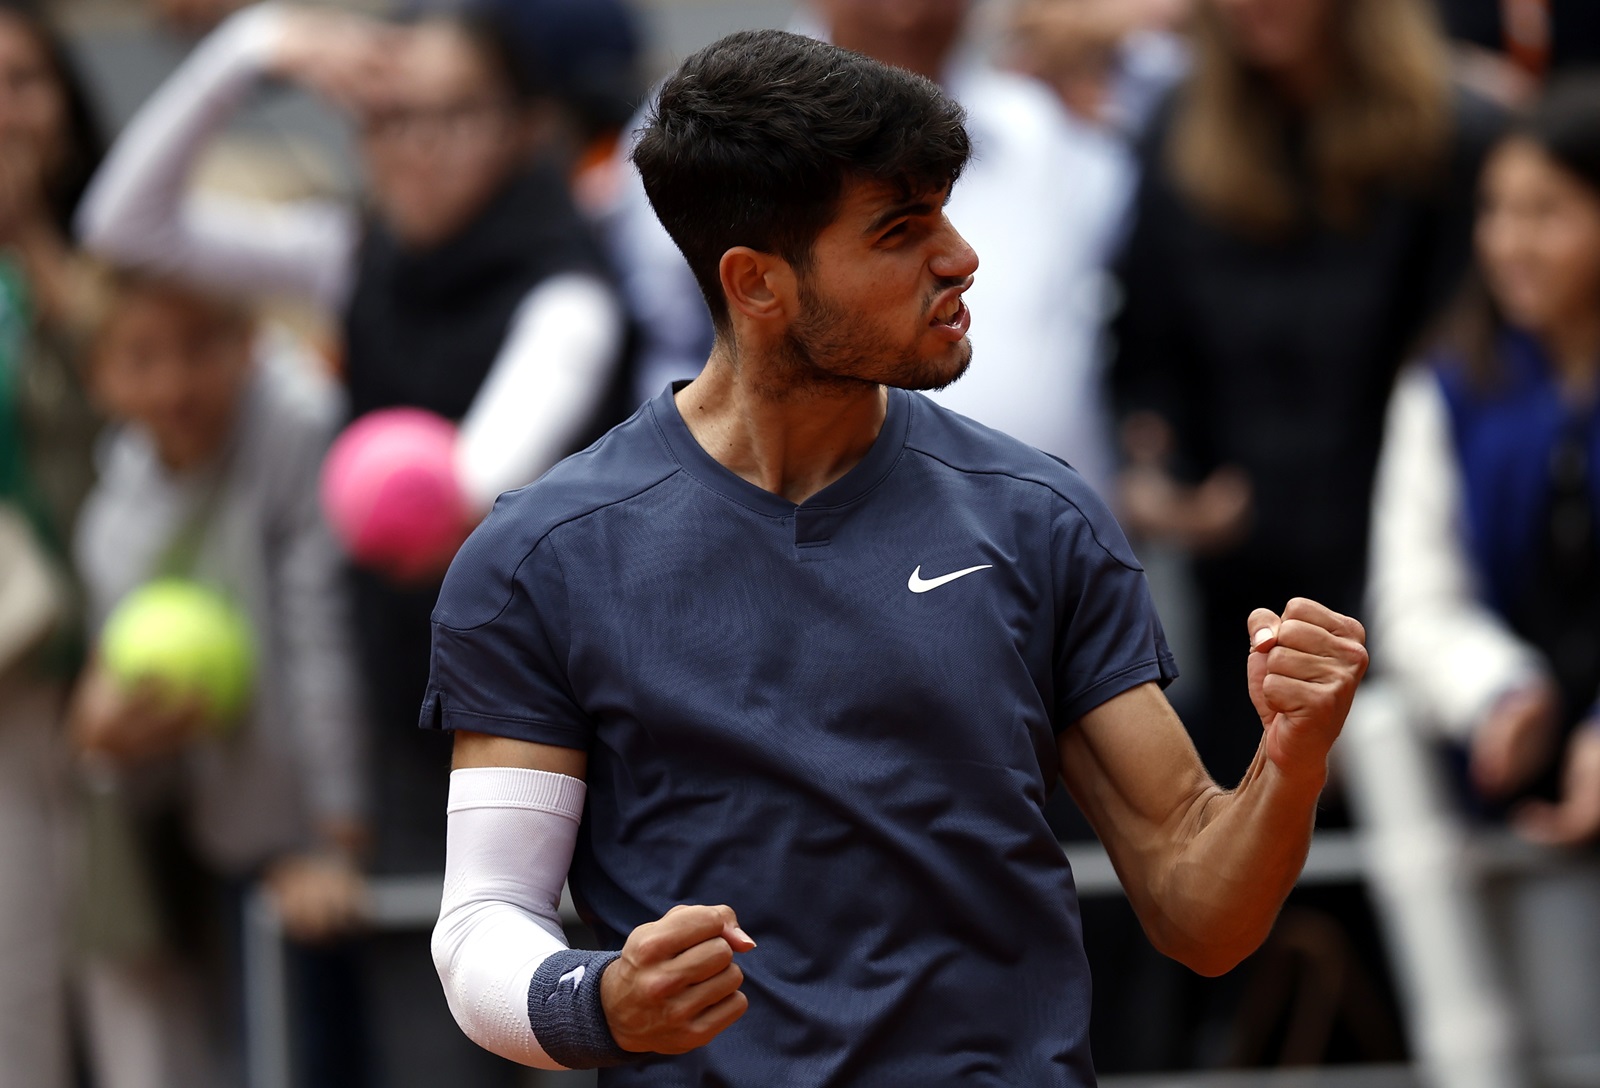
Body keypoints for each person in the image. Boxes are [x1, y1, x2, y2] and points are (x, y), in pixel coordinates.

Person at [423, 30, 1369, 1085]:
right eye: (899, 228)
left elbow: (1203, 914)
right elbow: (482, 926)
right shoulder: (538, 557)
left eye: (947, 211)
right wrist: (594, 1002)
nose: (959, 256)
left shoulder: (1040, 517)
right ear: (758, 284)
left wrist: (1289, 763)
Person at [76, 8, 629, 1082]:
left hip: (592, 739)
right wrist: (248, 51)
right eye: (388, 118)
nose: (417, 147)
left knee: (613, 1039)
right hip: (417, 735)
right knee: (430, 1048)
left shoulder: (568, 283)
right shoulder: (352, 254)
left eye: (453, 114)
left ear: (523, 123)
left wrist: (438, 501)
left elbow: (472, 479)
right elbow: (123, 226)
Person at [1111, 0, 1500, 787]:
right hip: (1244, 572)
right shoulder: (1179, 133)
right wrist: (1159, 475)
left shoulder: (1454, 133)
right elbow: (1145, 350)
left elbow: (1481, 364)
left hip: (1418, 556)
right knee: (1259, 838)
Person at [608, 0, 1134, 497]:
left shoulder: (1047, 128)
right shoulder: (713, 137)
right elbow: (665, 337)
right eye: (895, 229)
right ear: (755, 282)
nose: (905, 13)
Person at [66, 271, 367, 1088]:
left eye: (199, 347)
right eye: (139, 356)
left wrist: (333, 835)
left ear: (247, 344)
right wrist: (111, 744)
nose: (173, 382)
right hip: (242, 849)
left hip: (349, 836)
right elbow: (127, 748)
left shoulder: (299, 425)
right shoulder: (112, 526)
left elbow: (321, 636)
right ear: (99, 376)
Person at [1364, 71, 1600, 1080]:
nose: (1509, 241)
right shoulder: (1451, 385)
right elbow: (1412, 592)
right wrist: (1500, 690)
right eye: (1496, 211)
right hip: (1517, 772)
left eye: (1545, 212)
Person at [0, 3, 104, 1086]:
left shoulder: (108, 260)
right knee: (15, 986)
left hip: (120, 663)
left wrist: (32, 229)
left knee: (136, 970)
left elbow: (130, 386)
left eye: (23, 79)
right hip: (12, 675)